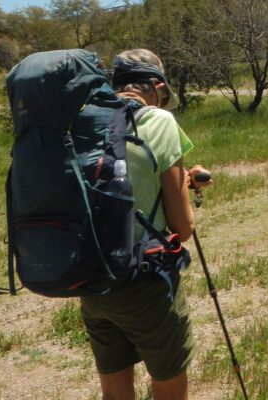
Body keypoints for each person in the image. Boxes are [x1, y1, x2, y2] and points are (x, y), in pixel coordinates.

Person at [80, 49, 210, 400]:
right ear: (156, 86)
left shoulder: (85, 120)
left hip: (94, 280)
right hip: (144, 281)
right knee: (168, 384)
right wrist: (186, 183)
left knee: (115, 391)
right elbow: (182, 227)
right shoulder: (159, 121)